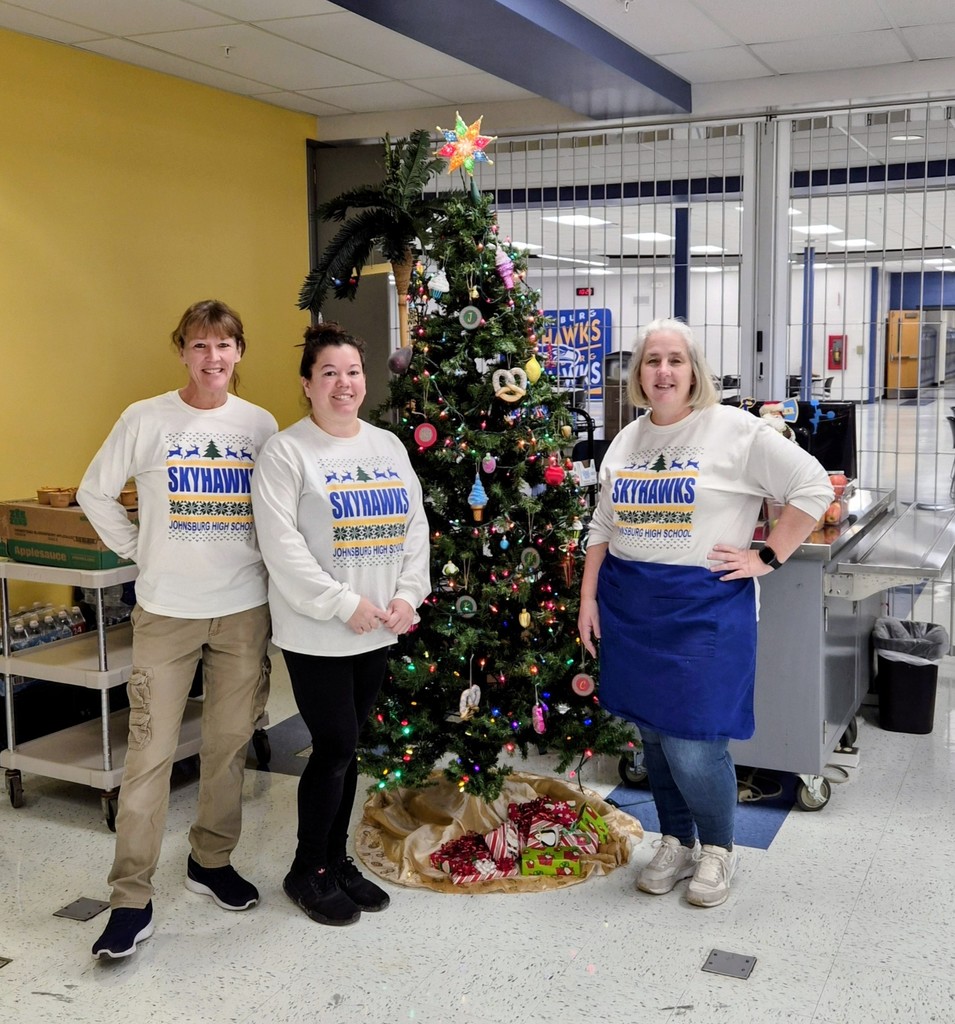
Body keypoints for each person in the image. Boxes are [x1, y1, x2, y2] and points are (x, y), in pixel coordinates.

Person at [578, 318, 832, 908]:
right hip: (630, 605)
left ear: (695, 371)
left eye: (676, 360)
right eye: (652, 361)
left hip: (705, 610)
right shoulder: (627, 440)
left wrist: (766, 555)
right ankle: (675, 839)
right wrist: (588, 597)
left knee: (695, 743)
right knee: (655, 739)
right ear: (638, 373)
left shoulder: (736, 431)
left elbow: (812, 485)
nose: (663, 371)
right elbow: (603, 525)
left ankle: (718, 847)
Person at [77, 299, 277, 958]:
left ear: (239, 352)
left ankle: (209, 863)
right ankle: (129, 898)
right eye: (198, 346)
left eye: (223, 347)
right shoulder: (146, 417)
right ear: (183, 351)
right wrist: (139, 549)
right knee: (148, 756)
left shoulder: (259, 425)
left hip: (243, 609)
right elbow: (93, 490)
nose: (211, 359)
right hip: (166, 612)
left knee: (225, 747)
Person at [251, 322, 430, 926]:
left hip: (377, 626)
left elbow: (414, 529)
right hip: (318, 630)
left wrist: (409, 596)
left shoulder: (386, 447)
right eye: (329, 373)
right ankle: (307, 870)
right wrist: (341, 603)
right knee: (332, 747)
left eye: (352, 372)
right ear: (307, 384)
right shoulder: (286, 452)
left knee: (348, 749)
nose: (343, 384)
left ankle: (334, 861)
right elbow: (283, 549)